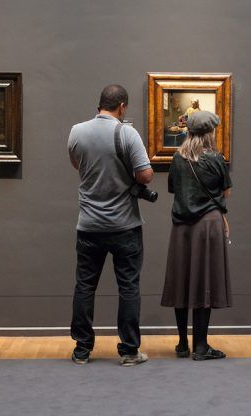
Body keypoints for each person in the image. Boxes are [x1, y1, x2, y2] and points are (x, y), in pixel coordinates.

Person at [67, 84, 153, 367]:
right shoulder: (127, 133)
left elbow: (77, 165)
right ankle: (129, 351)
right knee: (128, 287)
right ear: (123, 107)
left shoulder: (77, 131)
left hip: (89, 225)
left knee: (84, 287)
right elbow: (146, 176)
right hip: (124, 225)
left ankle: (82, 350)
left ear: (99, 104)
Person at [161, 111, 232, 361]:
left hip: (181, 226)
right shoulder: (215, 159)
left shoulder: (178, 159)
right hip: (208, 225)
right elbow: (226, 192)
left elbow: (173, 189)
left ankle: (182, 344)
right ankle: (201, 346)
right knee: (204, 283)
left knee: (182, 281)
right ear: (210, 132)